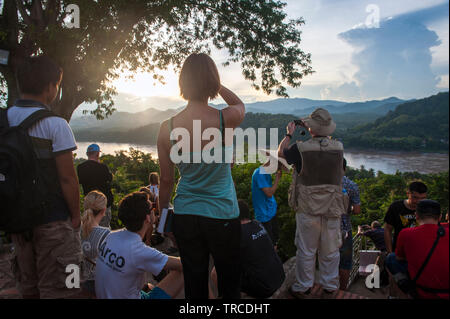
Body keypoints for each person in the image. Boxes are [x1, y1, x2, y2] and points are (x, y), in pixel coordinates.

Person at [157, 53, 245, 299]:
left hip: (186, 214)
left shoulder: (168, 128)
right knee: (229, 282)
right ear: (211, 82)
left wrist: (165, 219)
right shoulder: (224, 119)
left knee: (194, 284)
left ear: (183, 83)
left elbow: (166, 181)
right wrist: (216, 85)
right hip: (222, 214)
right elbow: (240, 104)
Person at [6, 56, 82, 298]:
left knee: (28, 287)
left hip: (17, 221)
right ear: (50, 87)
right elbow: (68, 179)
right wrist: (76, 216)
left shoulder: (4, 120)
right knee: (63, 289)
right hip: (54, 222)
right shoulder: (55, 125)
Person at [278, 108, 346, 299]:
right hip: (332, 207)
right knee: (331, 250)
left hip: (308, 207)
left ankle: (303, 286)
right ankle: (330, 286)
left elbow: (281, 153)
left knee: (306, 250)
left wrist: (289, 133)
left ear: (311, 128)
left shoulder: (301, 149)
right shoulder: (338, 148)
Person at [95, 191, 184, 299]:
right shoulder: (139, 250)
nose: (155, 211)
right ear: (147, 218)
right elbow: (184, 264)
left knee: (149, 285)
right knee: (182, 272)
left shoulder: (111, 236)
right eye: (153, 209)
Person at [211, 200, 285, 298]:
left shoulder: (237, 234)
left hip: (265, 288)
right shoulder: (257, 224)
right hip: (279, 276)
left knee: (215, 273)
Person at [385, 200, 449, 299]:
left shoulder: (405, 233)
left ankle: (404, 295)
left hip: (422, 290)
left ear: (416, 216)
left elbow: (399, 258)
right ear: (440, 217)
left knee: (391, 258)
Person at [80, 190, 111, 296]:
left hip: (75, 282)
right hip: (97, 285)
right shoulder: (106, 234)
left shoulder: (73, 230)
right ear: (104, 210)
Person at [384, 181, 427, 254]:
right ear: (408, 194)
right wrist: (390, 252)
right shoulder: (396, 207)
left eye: (422, 198)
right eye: (415, 197)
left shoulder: (428, 208)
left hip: (421, 253)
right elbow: (387, 229)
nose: (418, 201)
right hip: (399, 252)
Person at [77, 144, 114, 228]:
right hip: (103, 203)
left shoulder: (80, 168)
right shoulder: (102, 167)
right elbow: (110, 178)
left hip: (89, 202)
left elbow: (81, 181)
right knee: (104, 228)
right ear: (97, 154)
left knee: (88, 227)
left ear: (87, 154)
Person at [339, 158, 361, 291]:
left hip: (325, 229)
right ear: (345, 168)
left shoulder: (324, 184)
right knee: (345, 263)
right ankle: (342, 290)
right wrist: (348, 209)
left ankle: (328, 289)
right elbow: (357, 210)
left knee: (327, 260)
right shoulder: (351, 185)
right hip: (345, 230)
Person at [251, 158, 282, 249]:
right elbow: (269, 193)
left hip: (271, 212)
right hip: (264, 215)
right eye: (278, 166)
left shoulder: (266, 173)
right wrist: (277, 180)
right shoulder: (259, 173)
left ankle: (273, 260)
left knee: (275, 241)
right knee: (268, 244)